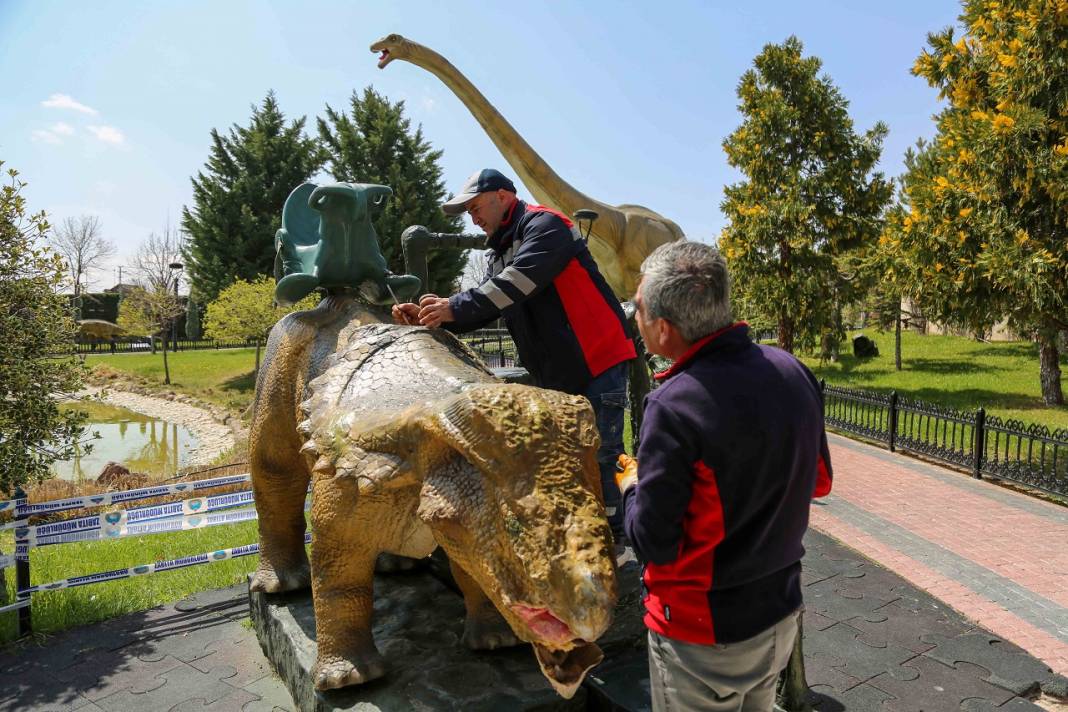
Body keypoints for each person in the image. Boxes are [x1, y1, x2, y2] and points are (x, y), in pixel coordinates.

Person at [614, 241, 833, 712]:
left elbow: (654, 542)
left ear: (664, 329)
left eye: (639, 309)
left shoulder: (673, 406)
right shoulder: (790, 369)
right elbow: (818, 482)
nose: (634, 317)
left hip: (702, 634)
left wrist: (632, 486)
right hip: (778, 612)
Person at [392, 169, 636, 537]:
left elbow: (517, 282)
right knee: (566, 461)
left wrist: (453, 306)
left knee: (603, 455)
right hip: (557, 374)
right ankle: (588, 540)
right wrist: (436, 317)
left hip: (598, 359)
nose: (473, 217)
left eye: (475, 207)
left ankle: (624, 545)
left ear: (503, 196)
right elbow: (490, 303)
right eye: (468, 212)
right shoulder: (498, 253)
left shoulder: (546, 225)